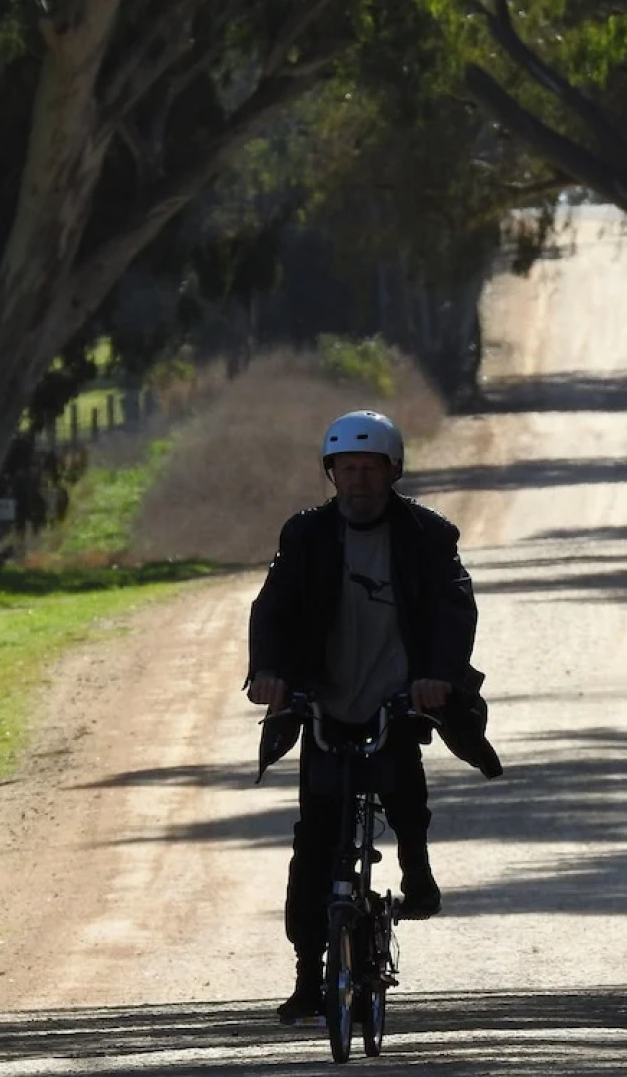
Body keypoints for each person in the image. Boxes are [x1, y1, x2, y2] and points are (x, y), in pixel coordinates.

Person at [246, 409, 491, 1024]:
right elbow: (272, 608)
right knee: (313, 844)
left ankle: (416, 866)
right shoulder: (304, 535)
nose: (357, 481)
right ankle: (309, 978)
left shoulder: (428, 536)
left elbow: (452, 610)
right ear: (330, 474)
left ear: (393, 472)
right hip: (324, 702)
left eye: (369, 469)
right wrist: (270, 673)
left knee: (402, 787)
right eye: (345, 469)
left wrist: (437, 677)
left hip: (397, 695)